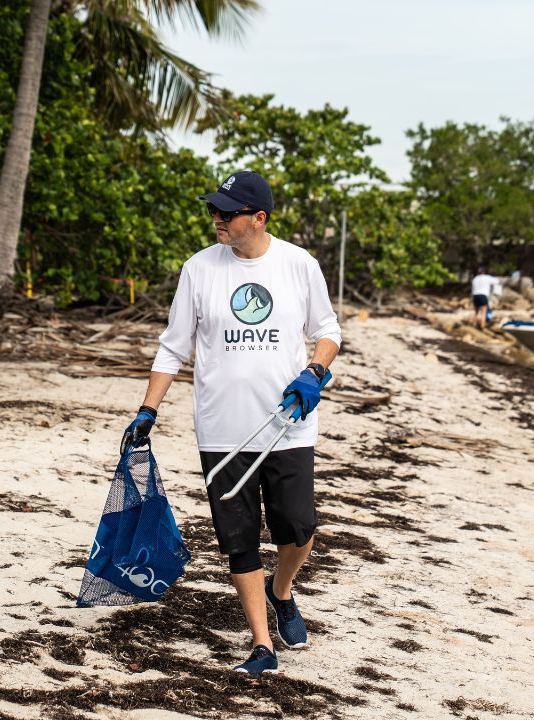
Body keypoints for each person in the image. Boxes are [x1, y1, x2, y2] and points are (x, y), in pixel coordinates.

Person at [124, 171, 341, 675]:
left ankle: (281, 590)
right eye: (213, 211)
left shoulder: (298, 264)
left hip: (287, 422)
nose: (216, 220)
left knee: (299, 527)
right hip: (222, 428)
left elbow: (327, 330)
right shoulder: (199, 269)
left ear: (258, 218)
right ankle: (262, 645)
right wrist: (147, 409)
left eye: (227, 213)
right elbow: (173, 346)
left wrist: (315, 371)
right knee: (239, 538)